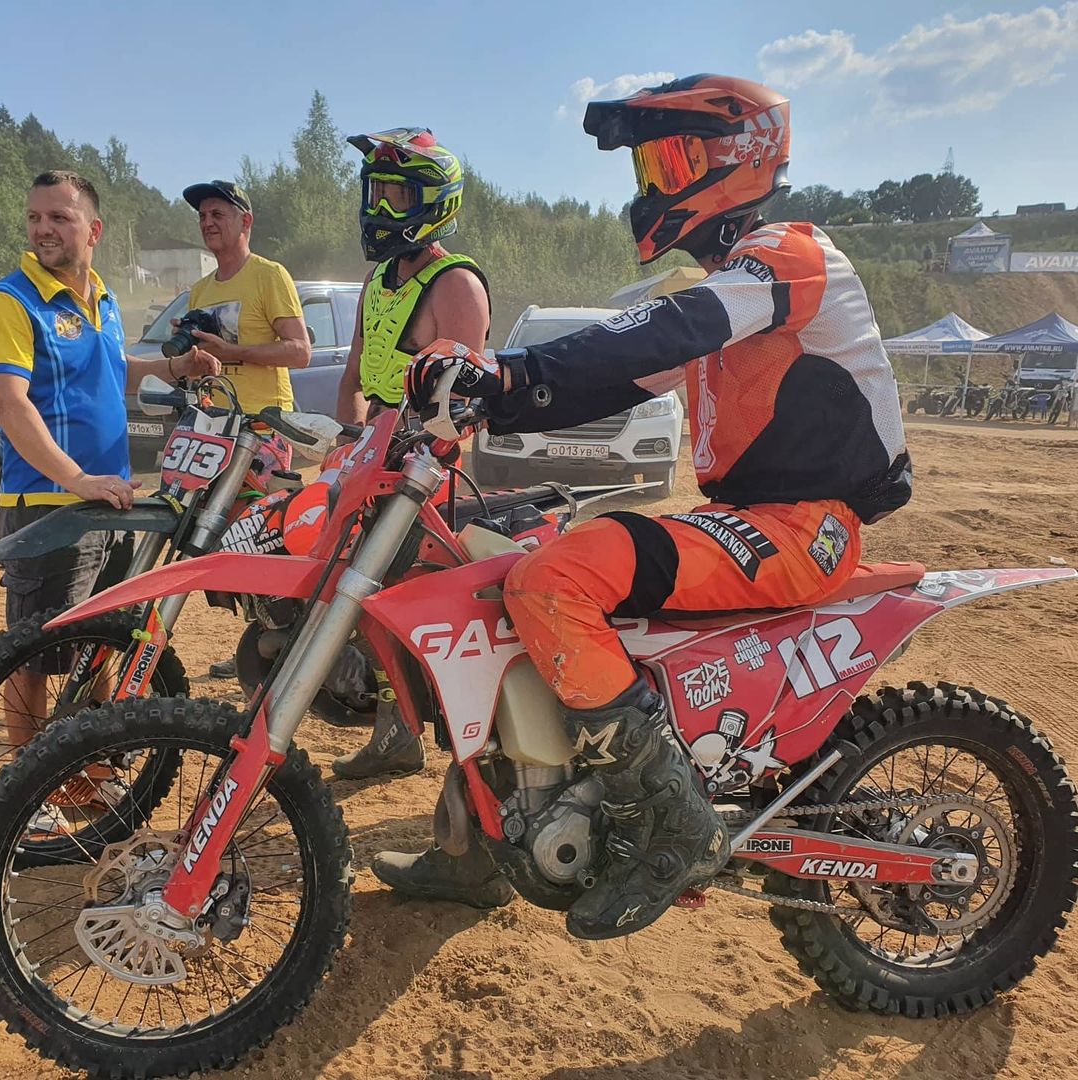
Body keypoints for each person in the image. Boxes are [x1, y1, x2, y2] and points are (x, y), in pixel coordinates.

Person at [386, 74, 913, 940]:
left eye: (670, 162)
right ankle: (485, 840)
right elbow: (616, 377)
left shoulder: (789, 257)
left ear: (740, 158)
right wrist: (496, 398)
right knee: (496, 560)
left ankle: (674, 824)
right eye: (648, 169)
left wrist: (510, 370)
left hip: (803, 526)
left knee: (553, 579)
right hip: (758, 521)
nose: (653, 186)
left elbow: (664, 331)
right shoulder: (731, 291)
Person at [0, 171, 218, 802]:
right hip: (48, 503)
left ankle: (90, 773)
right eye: (35, 217)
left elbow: (113, 370)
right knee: (35, 655)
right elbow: (11, 403)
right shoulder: (15, 300)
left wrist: (174, 366)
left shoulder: (103, 296)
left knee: (102, 643)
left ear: (93, 230)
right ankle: (29, 792)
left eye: (59, 218)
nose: (43, 229)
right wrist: (75, 478)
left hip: (109, 500)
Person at [331, 128, 490, 782]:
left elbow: (463, 403)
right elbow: (354, 371)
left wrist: (413, 459)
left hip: (425, 469)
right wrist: (348, 438)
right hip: (370, 457)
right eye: (375, 192)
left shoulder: (455, 285)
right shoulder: (378, 279)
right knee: (355, 590)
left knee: (402, 601)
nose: (379, 208)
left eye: (395, 195)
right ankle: (386, 720)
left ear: (434, 202)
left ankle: (424, 737)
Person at [178, 180, 312, 679]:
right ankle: (257, 646)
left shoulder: (268, 275)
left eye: (218, 212)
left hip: (264, 428)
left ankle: (288, 643)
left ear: (245, 221)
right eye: (202, 215)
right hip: (215, 429)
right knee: (222, 535)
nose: (208, 222)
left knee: (262, 538)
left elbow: (300, 351)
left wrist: (234, 352)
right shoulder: (201, 291)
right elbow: (200, 364)